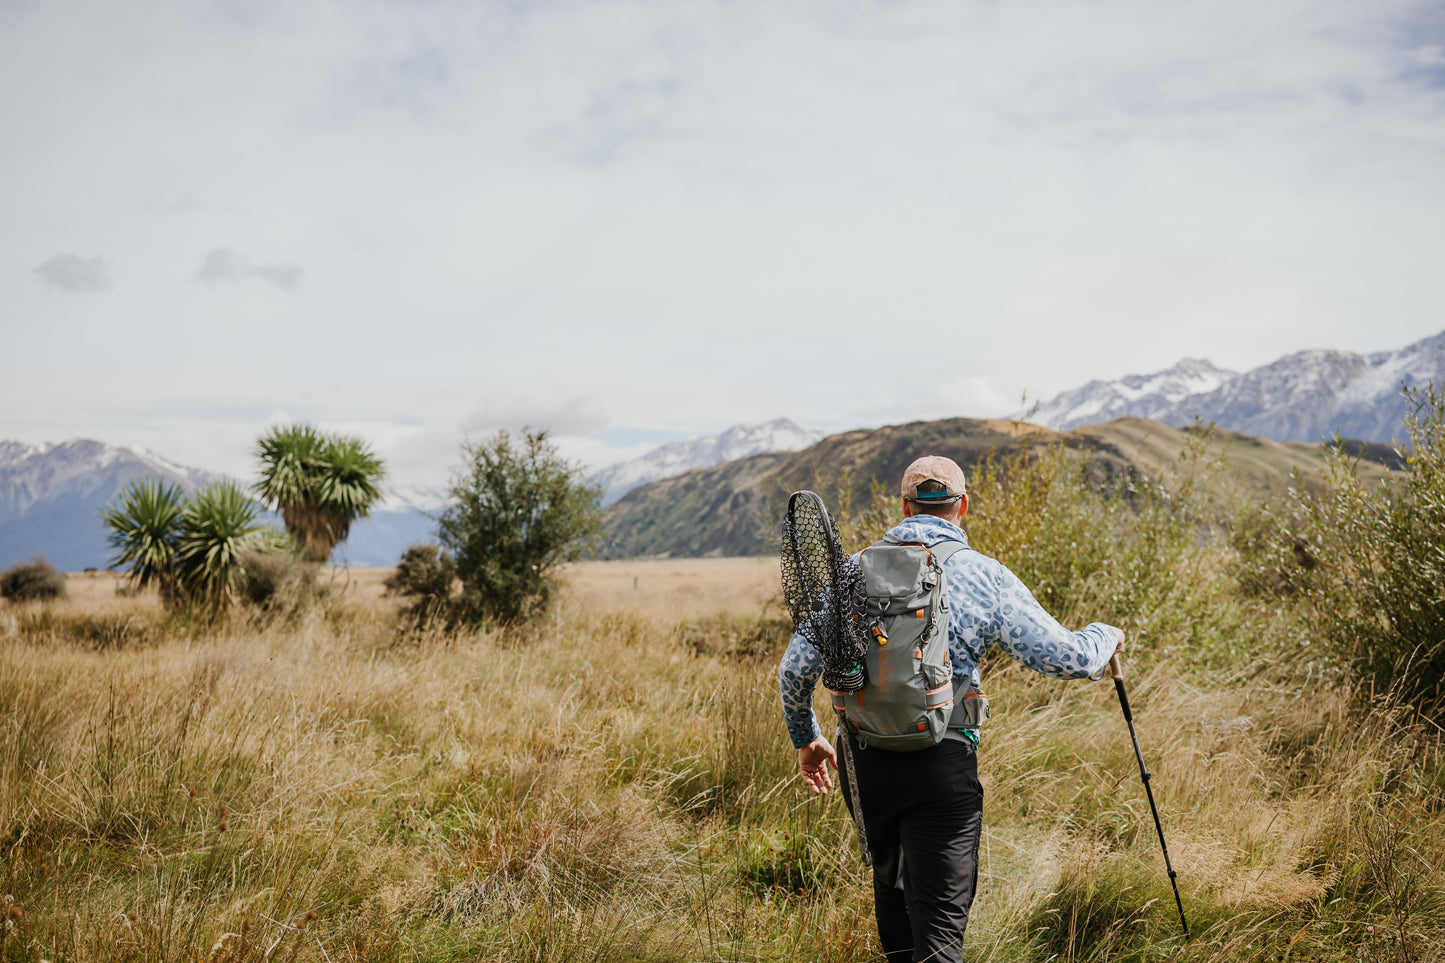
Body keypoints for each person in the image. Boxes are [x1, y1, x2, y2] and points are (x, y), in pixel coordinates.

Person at [777, 454, 1126, 963]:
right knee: (940, 933)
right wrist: (1105, 635)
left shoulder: (850, 572)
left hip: (865, 764)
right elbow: (1067, 658)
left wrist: (806, 739)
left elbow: (794, 670)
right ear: (963, 505)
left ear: (903, 505)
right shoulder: (985, 576)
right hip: (943, 763)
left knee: (892, 890)